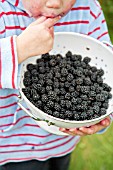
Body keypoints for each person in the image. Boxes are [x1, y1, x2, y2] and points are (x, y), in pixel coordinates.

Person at [0, 0, 112, 169]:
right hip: (13, 149)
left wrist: (102, 117)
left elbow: (107, 66)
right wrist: (18, 49)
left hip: (61, 143)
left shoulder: (88, 9)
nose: (54, 3)